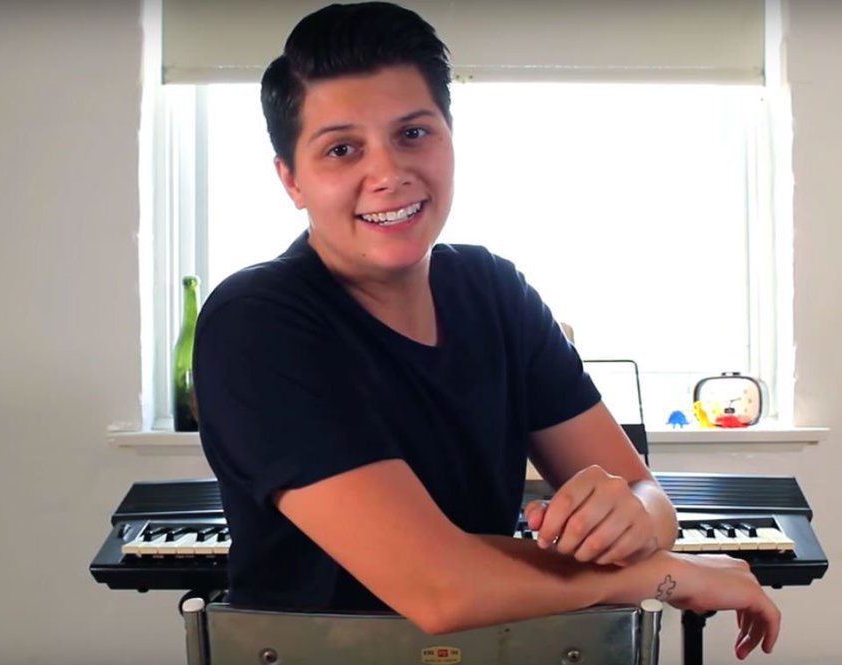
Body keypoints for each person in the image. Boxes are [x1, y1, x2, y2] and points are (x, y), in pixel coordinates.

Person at [193, 2, 780, 659]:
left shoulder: (492, 289)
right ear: (291, 180)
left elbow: (650, 496)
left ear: (449, 137)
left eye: (413, 133)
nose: (388, 173)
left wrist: (631, 516)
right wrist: (665, 575)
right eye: (341, 149)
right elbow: (439, 587)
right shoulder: (255, 321)